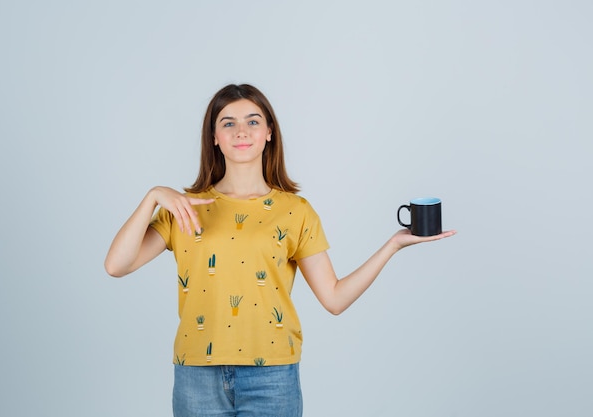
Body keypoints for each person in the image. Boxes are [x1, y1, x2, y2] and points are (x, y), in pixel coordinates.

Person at [104, 83, 456, 417]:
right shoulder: (185, 208)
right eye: (228, 123)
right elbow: (116, 266)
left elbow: (334, 298)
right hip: (197, 373)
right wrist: (153, 197)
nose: (241, 131)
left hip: (271, 375)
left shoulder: (295, 211)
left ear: (269, 132)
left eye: (252, 121)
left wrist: (392, 245)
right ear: (214, 137)